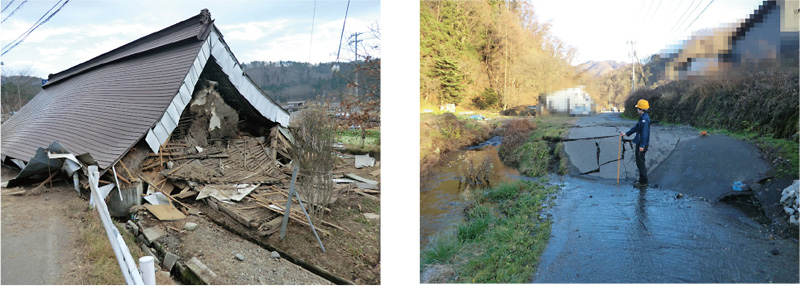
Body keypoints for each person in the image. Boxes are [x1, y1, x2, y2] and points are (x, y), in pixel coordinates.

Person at [620, 99, 650, 187]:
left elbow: (644, 134)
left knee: (640, 162)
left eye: (638, 108)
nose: (637, 110)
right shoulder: (643, 117)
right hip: (640, 143)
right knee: (639, 161)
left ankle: (643, 182)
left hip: (642, 144)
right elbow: (636, 127)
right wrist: (626, 133)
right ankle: (641, 180)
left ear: (641, 109)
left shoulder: (644, 119)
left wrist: (642, 145)